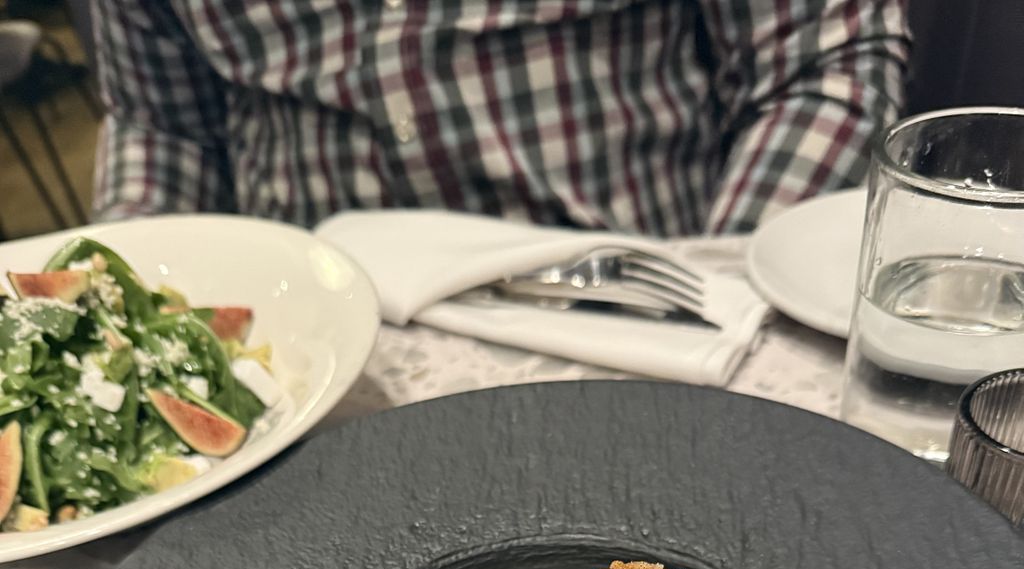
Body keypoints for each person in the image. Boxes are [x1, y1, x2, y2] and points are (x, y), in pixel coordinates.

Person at [90, 0, 909, 237]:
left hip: (631, 300)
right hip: (308, 348)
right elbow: (159, 124)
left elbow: (821, 57)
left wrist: (722, 288)